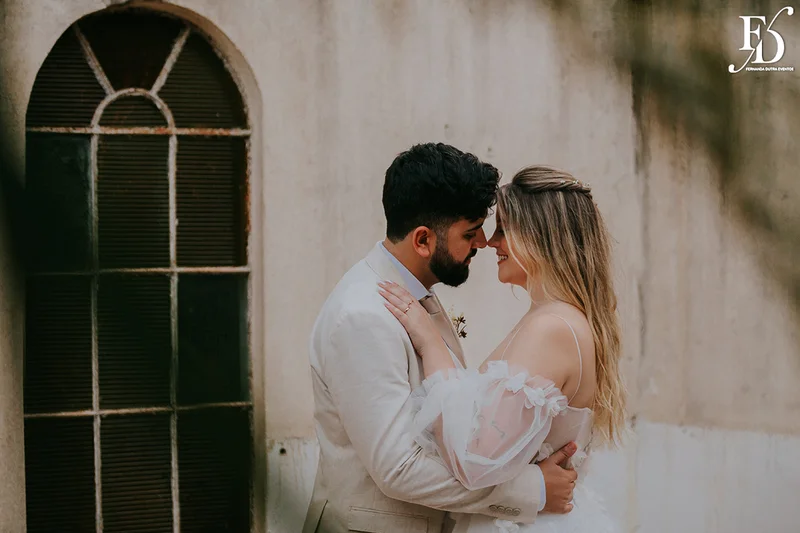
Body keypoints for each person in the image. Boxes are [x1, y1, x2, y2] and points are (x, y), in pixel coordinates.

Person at [303, 145, 579, 533]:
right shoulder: (363, 316)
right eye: (470, 232)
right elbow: (399, 468)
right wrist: (531, 489)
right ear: (422, 240)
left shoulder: (410, 296)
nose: (483, 242)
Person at [378, 165, 624, 532]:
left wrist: (430, 342)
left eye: (505, 230)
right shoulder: (551, 318)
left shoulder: (552, 327)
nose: (491, 243)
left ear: (542, 238)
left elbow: (475, 461)